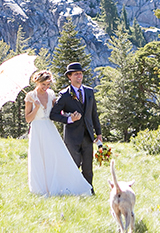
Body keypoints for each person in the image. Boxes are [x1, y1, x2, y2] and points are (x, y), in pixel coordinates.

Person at [24, 69, 92, 197]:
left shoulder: (51, 94)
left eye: (48, 85)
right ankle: (41, 188)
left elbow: (57, 113)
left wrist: (70, 116)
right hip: (37, 129)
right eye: (43, 84)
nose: (46, 87)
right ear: (37, 82)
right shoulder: (30, 97)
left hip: (50, 129)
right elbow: (28, 119)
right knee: (39, 158)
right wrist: (36, 107)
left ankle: (61, 184)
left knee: (56, 156)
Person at [50, 62, 102, 192]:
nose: (79, 76)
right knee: (74, 166)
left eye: (80, 73)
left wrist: (99, 133)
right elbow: (53, 114)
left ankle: (89, 191)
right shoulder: (65, 95)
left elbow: (94, 114)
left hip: (88, 136)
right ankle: (72, 190)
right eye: (76, 74)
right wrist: (69, 119)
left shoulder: (89, 92)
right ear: (69, 77)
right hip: (72, 137)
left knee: (88, 168)